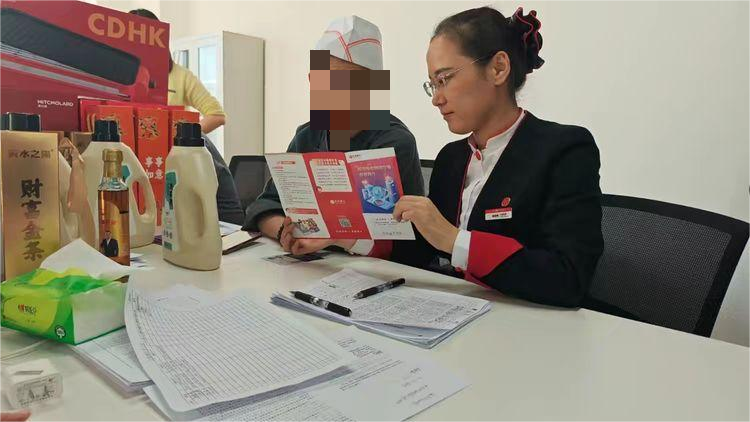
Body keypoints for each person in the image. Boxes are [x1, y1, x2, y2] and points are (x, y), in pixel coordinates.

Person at [287, 7, 603, 308]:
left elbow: (568, 278)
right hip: (461, 313)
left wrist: (454, 241)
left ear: (498, 68)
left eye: (445, 79)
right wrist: (344, 238)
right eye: (432, 85)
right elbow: (419, 253)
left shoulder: (564, 149)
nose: (437, 99)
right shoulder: (453, 158)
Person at [244, 16, 424, 250]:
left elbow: (409, 243)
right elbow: (264, 206)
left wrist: (333, 239)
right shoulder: (307, 136)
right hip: (311, 261)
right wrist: (285, 232)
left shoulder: (395, 142)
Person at [129, 9, 227, 134]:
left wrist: (184, 137)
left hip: (169, 146)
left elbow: (217, 116)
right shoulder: (120, 73)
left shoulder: (182, 76)